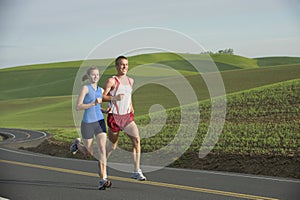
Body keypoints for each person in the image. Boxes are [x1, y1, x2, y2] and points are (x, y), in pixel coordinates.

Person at [102, 56, 146, 181]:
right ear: (116, 66)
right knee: (112, 146)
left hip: (127, 117)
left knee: (136, 140)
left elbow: (128, 95)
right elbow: (103, 97)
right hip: (114, 117)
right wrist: (115, 99)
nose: (124, 67)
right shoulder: (112, 81)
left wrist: (131, 106)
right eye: (121, 64)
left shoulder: (131, 81)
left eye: (126, 64)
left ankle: (137, 171)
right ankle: (103, 165)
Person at [70, 66, 112, 190]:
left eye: (97, 75)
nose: (95, 77)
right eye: (93, 75)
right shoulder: (85, 88)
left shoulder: (101, 90)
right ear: (88, 77)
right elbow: (78, 106)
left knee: (102, 150)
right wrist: (93, 103)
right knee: (89, 153)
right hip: (87, 123)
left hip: (99, 122)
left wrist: (105, 111)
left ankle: (103, 179)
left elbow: (97, 108)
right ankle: (78, 144)